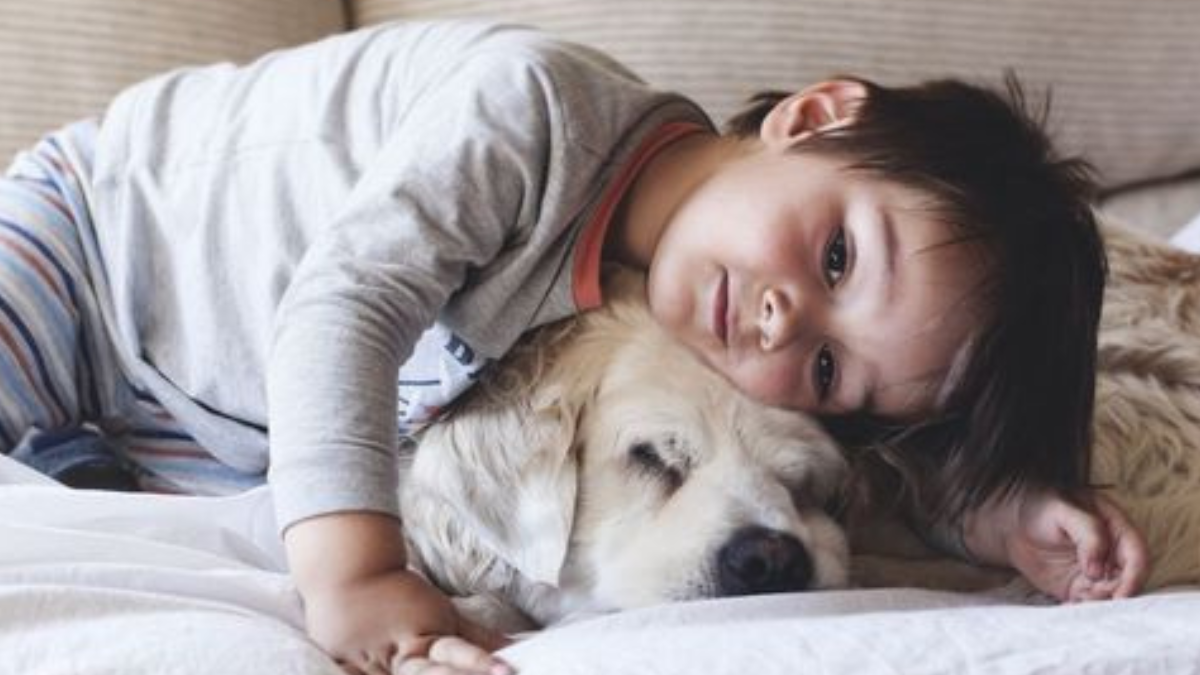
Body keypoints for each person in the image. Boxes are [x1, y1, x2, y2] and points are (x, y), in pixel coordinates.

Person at [0, 19, 1145, 675]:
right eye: (838, 258)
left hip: (213, 405)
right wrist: (357, 578)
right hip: (109, 243)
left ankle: (75, 459)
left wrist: (994, 506)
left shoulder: (705, 317)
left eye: (832, 367)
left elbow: (837, 454)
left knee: (218, 481)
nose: (785, 322)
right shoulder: (529, 115)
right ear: (813, 114)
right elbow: (341, 308)